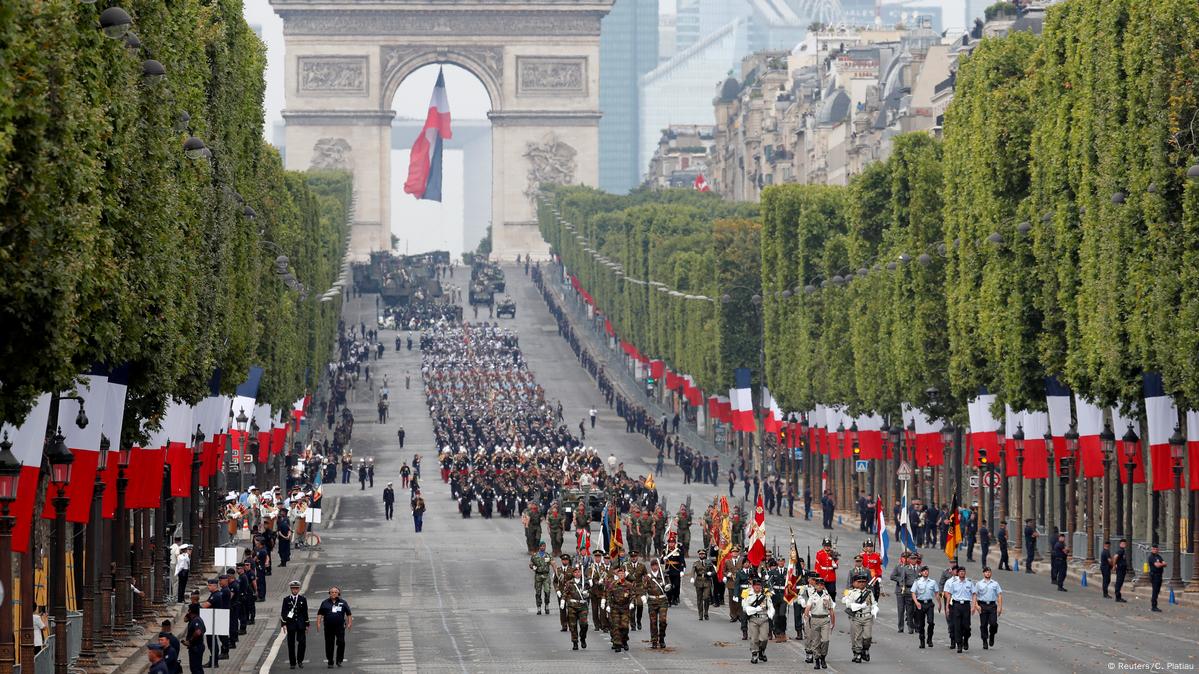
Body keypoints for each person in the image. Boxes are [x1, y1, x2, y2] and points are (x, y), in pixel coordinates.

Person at [843, 571, 876, 664]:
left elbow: (873, 603)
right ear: (856, 583)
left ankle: (865, 649)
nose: (861, 583)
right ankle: (857, 653)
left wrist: (875, 609)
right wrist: (859, 606)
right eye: (859, 582)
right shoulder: (852, 593)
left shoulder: (869, 592)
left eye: (863, 582)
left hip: (867, 617)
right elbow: (848, 604)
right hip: (857, 617)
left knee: (868, 637)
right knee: (857, 637)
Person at [804, 576, 835, 670]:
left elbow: (831, 610)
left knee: (825, 640)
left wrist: (833, 622)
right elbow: (807, 609)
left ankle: (823, 657)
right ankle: (817, 660)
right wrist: (806, 619)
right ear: (815, 586)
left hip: (825, 620)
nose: (820, 586)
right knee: (816, 641)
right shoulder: (812, 597)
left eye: (822, 584)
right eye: (818, 584)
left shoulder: (827, 596)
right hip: (814, 619)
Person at [316, 587, 352, 668]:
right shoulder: (324, 603)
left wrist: (349, 623)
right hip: (328, 627)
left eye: (335, 592)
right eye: (332, 592)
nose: (334, 593)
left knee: (341, 642)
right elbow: (320, 614)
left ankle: (339, 660)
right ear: (329, 593)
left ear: (338, 593)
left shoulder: (343, 602)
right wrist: (318, 623)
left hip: (340, 627)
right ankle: (330, 661)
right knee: (329, 644)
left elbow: (349, 614)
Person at [943, 566, 976, 653]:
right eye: (960, 571)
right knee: (957, 626)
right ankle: (959, 644)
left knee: (966, 626)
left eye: (963, 571)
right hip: (956, 605)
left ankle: (965, 640)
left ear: (965, 573)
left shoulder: (969, 583)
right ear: (958, 573)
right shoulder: (954, 583)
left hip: (966, 605)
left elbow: (974, 594)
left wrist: (973, 606)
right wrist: (947, 607)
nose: (962, 573)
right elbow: (949, 595)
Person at [742, 577, 775, 664]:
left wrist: (771, 614)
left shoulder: (766, 595)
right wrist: (756, 609)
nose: (757, 587)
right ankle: (754, 654)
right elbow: (745, 608)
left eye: (759, 585)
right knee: (754, 638)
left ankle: (761, 650)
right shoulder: (747, 594)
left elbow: (771, 606)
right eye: (755, 585)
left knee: (764, 638)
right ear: (752, 586)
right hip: (753, 619)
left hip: (764, 618)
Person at [605, 565, 635, 652]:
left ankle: (624, 641)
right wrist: (608, 605)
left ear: (624, 575)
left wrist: (632, 603)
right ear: (617, 575)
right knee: (616, 626)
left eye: (622, 574)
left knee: (625, 627)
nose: (621, 575)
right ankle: (618, 644)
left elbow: (632, 595)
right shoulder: (613, 584)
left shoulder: (628, 584)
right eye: (620, 574)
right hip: (615, 608)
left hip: (625, 608)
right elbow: (609, 595)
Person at [281, 580, 310, 669]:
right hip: (291, 624)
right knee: (291, 644)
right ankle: (292, 663)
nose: (295, 590)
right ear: (291, 589)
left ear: (299, 589)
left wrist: (307, 624)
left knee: (302, 643)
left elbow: (305, 612)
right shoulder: (286, 599)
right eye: (293, 589)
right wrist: (283, 624)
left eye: (296, 589)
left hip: (301, 624)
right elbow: (284, 612)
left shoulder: (302, 599)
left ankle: (300, 660)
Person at [910, 565, 939, 649]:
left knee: (931, 622)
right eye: (924, 571)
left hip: (929, 604)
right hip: (920, 604)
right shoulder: (917, 582)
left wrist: (939, 603)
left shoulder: (933, 582)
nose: (926, 572)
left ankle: (929, 639)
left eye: (927, 571)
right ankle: (922, 640)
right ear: (921, 573)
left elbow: (936, 593)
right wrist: (916, 602)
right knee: (921, 624)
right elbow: (913, 593)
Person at [644, 558, 670, 649]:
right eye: (653, 565)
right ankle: (654, 640)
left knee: (663, 621)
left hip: (662, 601)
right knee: (653, 622)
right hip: (652, 602)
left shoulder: (663, 575)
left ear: (658, 566)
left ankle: (662, 638)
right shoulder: (648, 577)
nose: (655, 567)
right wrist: (643, 596)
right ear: (651, 566)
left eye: (656, 565)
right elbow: (644, 587)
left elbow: (669, 585)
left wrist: (667, 586)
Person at [563, 565, 590, 650]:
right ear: (573, 574)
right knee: (573, 625)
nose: (577, 573)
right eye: (575, 572)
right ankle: (575, 642)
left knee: (584, 624)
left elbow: (591, 591)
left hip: (583, 606)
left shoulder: (585, 582)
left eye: (579, 572)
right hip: (572, 606)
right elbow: (565, 592)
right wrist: (563, 600)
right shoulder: (569, 583)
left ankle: (582, 638)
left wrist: (587, 592)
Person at [975, 566, 1003, 649]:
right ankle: (984, 640)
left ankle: (992, 635)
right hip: (982, 605)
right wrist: (976, 605)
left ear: (991, 573)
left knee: (993, 623)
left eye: (989, 572)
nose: (988, 573)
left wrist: (1000, 607)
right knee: (983, 624)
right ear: (983, 573)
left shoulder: (995, 583)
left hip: (992, 605)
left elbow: (999, 595)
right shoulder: (979, 583)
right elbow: (974, 595)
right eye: (986, 572)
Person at [689, 548, 715, 620]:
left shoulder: (709, 562)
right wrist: (692, 577)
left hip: (707, 581)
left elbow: (714, 572)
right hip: (699, 581)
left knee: (706, 597)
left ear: (705, 554)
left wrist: (711, 573)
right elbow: (693, 571)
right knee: (699, 599)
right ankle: (700, 614)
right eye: (700, 554)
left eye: (703, 554)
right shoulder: (696, 563)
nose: (701, 555)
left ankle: (706, 612)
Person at [530, 541, 553, 615]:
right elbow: (531, 564)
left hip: (546, 576)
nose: (543, 547)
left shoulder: (548, 555)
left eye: (544, 546)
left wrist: (556, 572)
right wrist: (533, 567)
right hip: (538, 576)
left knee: (547, 591)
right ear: (539, 547)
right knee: (538, 592)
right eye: (541, 546)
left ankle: (547, 605)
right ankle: (539, 607)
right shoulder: (535, 555)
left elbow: (553, 563)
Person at [183, 603, 207, 674]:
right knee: (198, 668)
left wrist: (190, 641)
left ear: (190, 611)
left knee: (195, 669)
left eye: (189, 610)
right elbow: (185, 620)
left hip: (196, 647)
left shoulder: (196, 620)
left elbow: (198, 632)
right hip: (197, 647)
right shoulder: (197, 619)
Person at [1147, 543, 1166, 612]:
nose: (1155, 550)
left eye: (1156, 549)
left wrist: (1161, 564)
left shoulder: (1159, 556)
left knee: (1157, 590)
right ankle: (1153, 606)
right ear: (1152, 550)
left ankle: (1154, 602)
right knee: (1155, 590)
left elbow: (1165, 564)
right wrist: (1162, 564)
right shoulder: (1151, 557)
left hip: (1159, 575)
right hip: (1154, 575)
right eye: (1154, 549)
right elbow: (1157, 565)